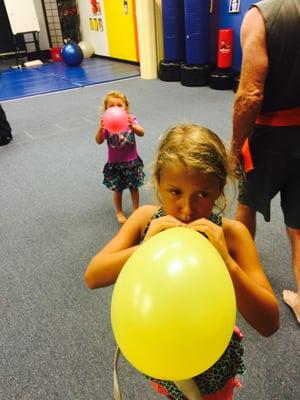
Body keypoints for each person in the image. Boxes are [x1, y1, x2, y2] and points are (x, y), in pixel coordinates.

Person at [85, 123, 279, 399]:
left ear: (219, 191)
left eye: (202, 195)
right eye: (175, 192)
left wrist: (226, 261)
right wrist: (145, 247)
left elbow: (270, 323)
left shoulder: (233, 234)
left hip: (213, 365)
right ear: (158, 182)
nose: (187, 210)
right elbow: (93, 276)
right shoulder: (144, 220)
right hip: (161, 357)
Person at [229, 0, 300, 324]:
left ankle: (242, 282)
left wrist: (234, 147)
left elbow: (250, 96)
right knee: (299, 230)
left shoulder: (260, 16)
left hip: (268, 138)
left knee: (245, 209)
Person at [95, 90, 145, 224]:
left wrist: (132, 127)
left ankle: (136, 209)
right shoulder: (106, 124)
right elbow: (98, 140)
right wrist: (100, 129)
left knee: (134, 187)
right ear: (106, 109)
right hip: (115, 163)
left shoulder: (131, 119)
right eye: (111, 106)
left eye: (119, 105)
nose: (115, 108)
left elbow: (142, 132)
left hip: (131, 161)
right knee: (118, 189)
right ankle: (119, 211)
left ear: (126, 107)